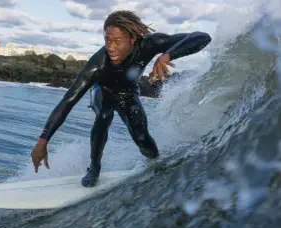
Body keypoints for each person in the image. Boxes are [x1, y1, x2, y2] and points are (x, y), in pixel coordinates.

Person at [31, 10, 212, 187]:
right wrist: (42, 141)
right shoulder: (97, 65)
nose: (110, 47)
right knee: (104, 114)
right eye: (107, 40)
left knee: (142, 137)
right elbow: (68, 100)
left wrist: (168, 54)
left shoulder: (150, 44)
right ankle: (94, 168)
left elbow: (202, 37)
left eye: (117, 41)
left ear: (132, 39)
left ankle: (155, 163)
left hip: (129, 94)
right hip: (103, 92)